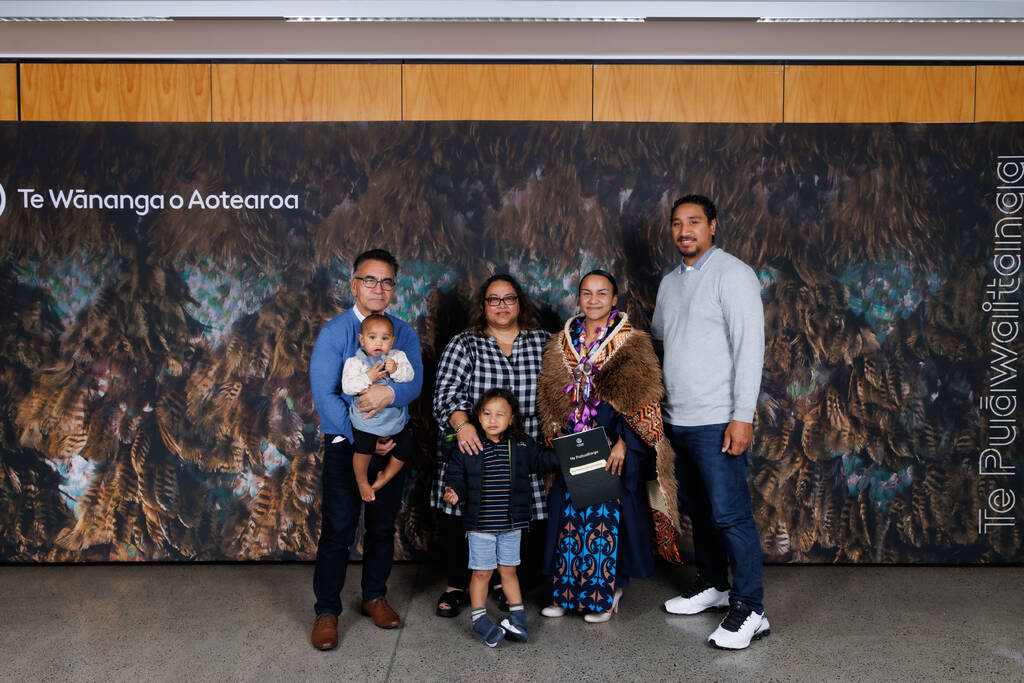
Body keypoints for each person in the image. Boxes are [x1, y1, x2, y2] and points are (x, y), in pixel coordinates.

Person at [652, 194, 769, 650]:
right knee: (700, 511)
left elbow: (749, 350)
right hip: (678, 419)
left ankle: (751, 608)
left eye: (694, 222)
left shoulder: (734, 275)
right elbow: (665, 341)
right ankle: (713, 585)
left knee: (730, 515)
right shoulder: (669, 284)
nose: (685, 231)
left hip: (718, 419)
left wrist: (741, 417)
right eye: (678, 224)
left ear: (713, 226)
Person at [537, 269, 672, 623]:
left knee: (608, 520)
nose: (593, 300)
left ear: (614, 299)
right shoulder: (560, 344)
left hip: (612, 444)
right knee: (567, 519)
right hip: (574, 445)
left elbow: (645, 399)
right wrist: (557, 432)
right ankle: (566, 593)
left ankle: (608, 591)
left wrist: (625, 444)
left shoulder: (632, 342)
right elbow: (551, 398)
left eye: (602, 293)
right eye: (586, 293)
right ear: (578, 298)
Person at [308, 249, 423, 650]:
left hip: (390, 439)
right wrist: (363, 438)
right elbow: (326, 393)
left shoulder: (403, 332)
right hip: (349, 442)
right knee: (339, 528)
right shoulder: (335, 332)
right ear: (354, 284)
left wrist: (387, 394)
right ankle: (327, 610)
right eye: (371, 280)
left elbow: (414, 384)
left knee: (381, 525)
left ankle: (374, 595)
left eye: (387, 281)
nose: (379, 288)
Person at [430, 275, 551, 618]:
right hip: (474, 449)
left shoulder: (542, 342)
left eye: (508, 299)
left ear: (520, 303)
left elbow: (561, 392)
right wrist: (463, 425)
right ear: (483, 306)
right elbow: (446, 393)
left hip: (520, 452)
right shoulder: (465, 343)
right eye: (493, 299)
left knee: (514, 520)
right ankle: (456, 586)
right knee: (463, 519)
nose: (501, 306)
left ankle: (502, 583)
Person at [442, 388, 560, 647]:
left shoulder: (521, 445)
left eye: (499, 414)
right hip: (481, 526)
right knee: (482, 573)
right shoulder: (469, 446)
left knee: (509, 571)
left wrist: (576, 449)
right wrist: (453, 492)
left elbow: (545, 459)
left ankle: (517, 617)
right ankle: (479, 619)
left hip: (511, 525)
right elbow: (455, 475)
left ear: (512, 419)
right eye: (486, 414)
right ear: (478, 416)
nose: (492, 420)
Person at [341, 313, 415, 502]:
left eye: (385, 338)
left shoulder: (397, 356)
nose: (378, 343)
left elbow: (409, 376)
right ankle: (362, 480)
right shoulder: (355, 362)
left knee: (406, 446)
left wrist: (396, 370)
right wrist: (368, 378)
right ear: (362, 339)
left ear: (392, 340)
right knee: (363, 447)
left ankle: (386, 476)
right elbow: (348, 387)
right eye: (372, 337)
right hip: (367, 420)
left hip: (393, 418)